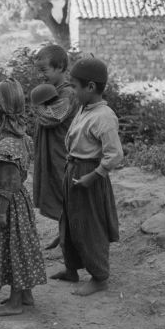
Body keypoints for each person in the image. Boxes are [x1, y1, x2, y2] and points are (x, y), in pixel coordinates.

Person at [50, 57, 123, 296]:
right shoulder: (85, 108)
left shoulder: (104, 116)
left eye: (74, 86)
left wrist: (94, 176)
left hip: (89, 175)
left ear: (90, 87)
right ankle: (72, 269)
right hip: (74, 170)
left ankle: (99, 277)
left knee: (90, 226)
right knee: (70, 222)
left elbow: (114, 155)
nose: (71, 90)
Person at [0, 78, 47, 316]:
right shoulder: (21, 138)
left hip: (8, 206)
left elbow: (8, 182)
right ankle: (25, 295)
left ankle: (16, 303)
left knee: (11, 248)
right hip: (20, 205)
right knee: (20, 247)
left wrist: (1, 212)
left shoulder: (7, 146)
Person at [32, 43, 79, 250]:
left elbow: (52, 118)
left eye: (45, 70)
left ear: (60, 67)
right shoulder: (53, 90)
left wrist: (38, 103)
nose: (41, 75)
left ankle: (73, 239)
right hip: (51, 152)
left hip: (63, 153)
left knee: (64, 194)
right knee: (56, 191)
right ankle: (63, 233)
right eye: (39, 71)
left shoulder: (67, 93)